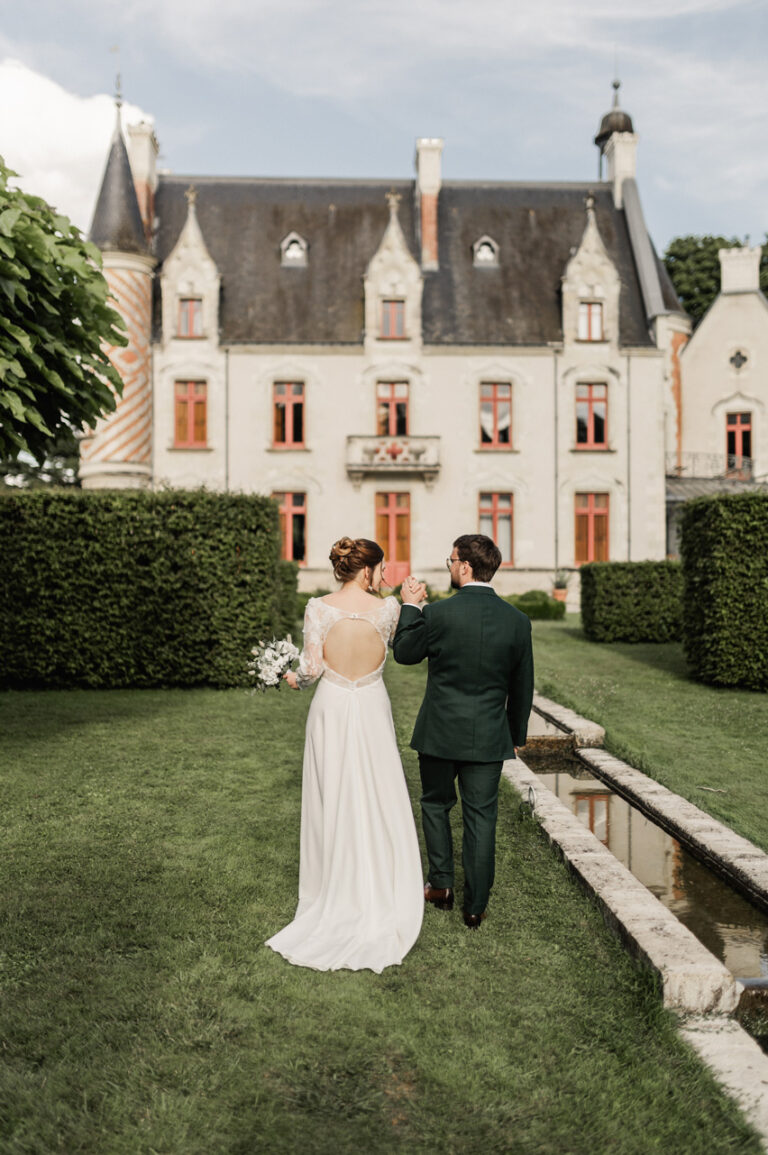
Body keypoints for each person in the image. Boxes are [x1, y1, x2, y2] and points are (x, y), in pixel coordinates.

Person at [265, 536, 423, 972]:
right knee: (377, 789)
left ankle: (332, 887)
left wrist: (289, 676)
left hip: (332, 707)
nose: (384, 576)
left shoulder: (318, 607)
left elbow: (312, 670)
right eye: (381, 568)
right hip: (371, 705)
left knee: (331, 792)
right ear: (367, 570)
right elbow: (401, 640)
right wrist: (411, 602)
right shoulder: (389, 610)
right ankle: (382, 882)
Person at [393, 534, 534, 929]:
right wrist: (516, 736)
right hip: (489, 737)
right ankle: (475, 906)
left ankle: (441, 887)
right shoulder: (518, 621)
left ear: (466, 567)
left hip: (438, 733)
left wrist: (410, 607)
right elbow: (523, 686)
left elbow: (404, 653)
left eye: (451, 560)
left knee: (436, 806)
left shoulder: (438, 615)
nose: (450, 566)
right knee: (481, 818)